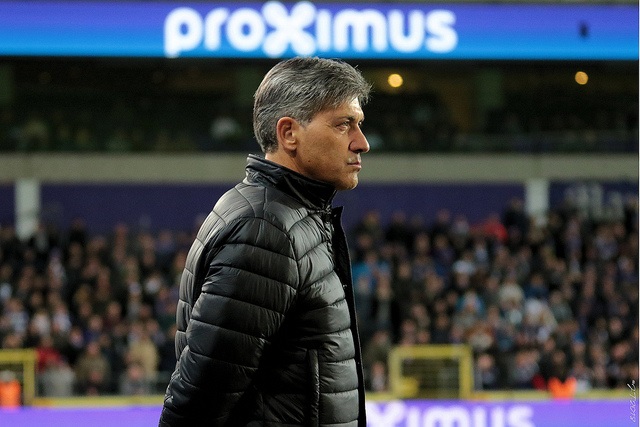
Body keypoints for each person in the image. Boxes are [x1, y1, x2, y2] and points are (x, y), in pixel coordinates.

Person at [159, 56, 372, 426]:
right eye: (344, 125)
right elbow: (198, 403)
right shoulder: (265, 230)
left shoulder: (289, 217)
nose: (362, 143)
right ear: (288, 133)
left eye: (359, 125)